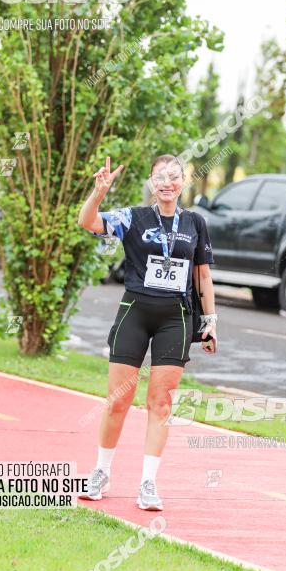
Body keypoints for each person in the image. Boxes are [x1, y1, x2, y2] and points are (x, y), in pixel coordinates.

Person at [77, 154, 217, 510]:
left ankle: (148, 483)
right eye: (160, 177)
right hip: (135, 313)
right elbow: (87, 222)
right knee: (119, 400)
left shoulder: (195, 223)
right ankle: (101, 471)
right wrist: (98, 193)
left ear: (183, 181)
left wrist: (210, 321)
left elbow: (203, 276)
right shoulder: (133, 217)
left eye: (173, 176)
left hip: (176, 318)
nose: (167, 183)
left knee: (161, 402)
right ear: (152, 182)